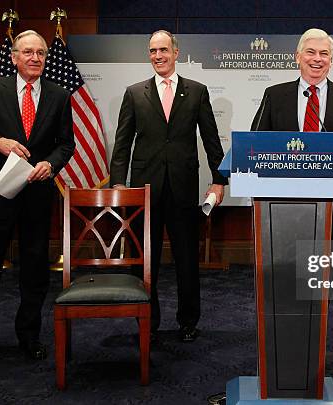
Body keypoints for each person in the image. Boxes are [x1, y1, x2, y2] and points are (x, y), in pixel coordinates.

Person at [0, 30, 75, 366]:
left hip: (37, 195)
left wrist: (49, 164)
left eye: (40, 52)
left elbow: (66, 144)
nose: (35, 58)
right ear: (14, 57)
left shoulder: (59, 95)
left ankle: (29, 335)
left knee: (35, 268)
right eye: (27, 52)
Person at [109, 30, 227, 343]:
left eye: (163, 50)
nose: (158, 56)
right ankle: (149, 318)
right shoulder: (134, 93)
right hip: (144, 190)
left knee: (187, 258)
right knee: (144, 259)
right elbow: (122, 144)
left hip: (184, 187)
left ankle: (188, 321)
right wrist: (119, 184)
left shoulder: (197, 91)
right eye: (152, 51)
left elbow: (211, 139)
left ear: (176, 52)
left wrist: (219, 180)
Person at [250, 28, 333, 239]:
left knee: (325, 264)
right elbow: (256, 142)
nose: (317, 59)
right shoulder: (274, 95)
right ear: (298, 57)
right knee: (285, 262)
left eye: (324, 54)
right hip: (281, 197)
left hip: (330, 197)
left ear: (331, 60)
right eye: (310, 52)